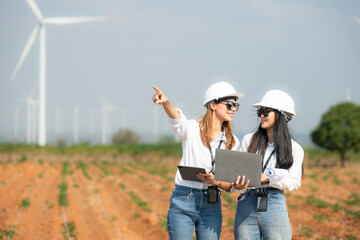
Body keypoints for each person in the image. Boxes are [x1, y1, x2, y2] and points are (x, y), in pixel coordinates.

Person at [152, 82, 247, 240]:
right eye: (229, 104)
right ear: (213, 105)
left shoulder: (233, 142)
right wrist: (167, 103)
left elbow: (230, 185)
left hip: (212, 203)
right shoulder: (193, 129)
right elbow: (177, 118)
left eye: (236, 106)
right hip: (184, 199)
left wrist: (217, 181)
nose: (233, 109)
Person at [232, 89, 304, 240]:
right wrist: (238, 184)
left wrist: (269, 178)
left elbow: (294, 182)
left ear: (282, 115)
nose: (262, 116)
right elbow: (240, 171)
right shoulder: (249, 140)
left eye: (266, 111)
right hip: (247, 202)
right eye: (260, 112)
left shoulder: (294, 148)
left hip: (274, 203)